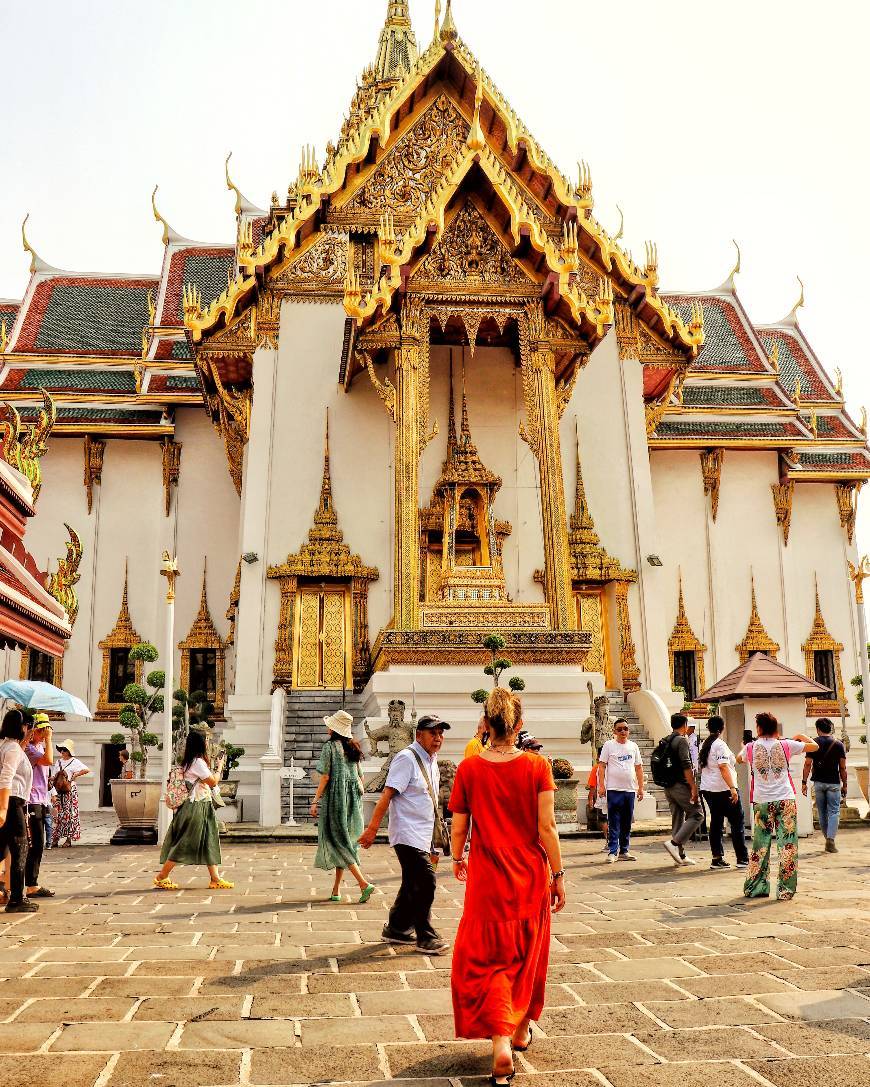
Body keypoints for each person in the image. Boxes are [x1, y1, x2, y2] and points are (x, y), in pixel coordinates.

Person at [449, 688, 565, 1086]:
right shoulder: (538, 766)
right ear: (518, 726)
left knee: (490, 958)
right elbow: (546, 827)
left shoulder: (468, 770)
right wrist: (558, 873)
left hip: (486, 876)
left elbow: (460, 827)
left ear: (486, 725)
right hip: (529, 873)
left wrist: (457, 857)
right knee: (527, 952)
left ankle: (504, 1037)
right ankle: (517, 1029)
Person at [359, 713, 451, 956]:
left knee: (413, 883)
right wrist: (371, 829)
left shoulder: (432, 759)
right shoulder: (406, 759)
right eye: (433, 732)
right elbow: (387, 796)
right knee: (425, 881)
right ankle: (425, 936)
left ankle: (397, 928)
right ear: (419, 735)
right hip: (407, 834)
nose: (438, 737)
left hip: (424, 834)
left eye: (441, 733)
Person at [737, 711, 818, 900]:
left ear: (759, 728)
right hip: (785, 799)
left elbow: (739, 759)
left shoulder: (750, 747)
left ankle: (757, 887)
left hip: (762, 801)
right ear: (775, 729)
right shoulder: (786, 744)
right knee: (788, 844)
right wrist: (800, 736)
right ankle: (785, 890)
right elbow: (814, 746)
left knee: (760, 845)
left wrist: (745, 746)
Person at [310, 710, 376, 904]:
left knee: (338, 841)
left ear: (334, 728)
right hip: (353, 799)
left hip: (336, 800)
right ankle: (336, 889)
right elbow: (361, 776)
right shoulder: (352, 746)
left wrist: (315, 800)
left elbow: (325, 776)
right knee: (345, 841)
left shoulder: (329, 747)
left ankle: (363, 884)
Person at [154, 730, 233, 890]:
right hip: (195, 807)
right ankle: (162, 876)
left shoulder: (191, 762)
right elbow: (213, 782)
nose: (208, 743)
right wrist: (219, 768)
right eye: (206, 740)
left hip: (202, 805)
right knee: (185, 842)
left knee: (209, 840)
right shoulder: (197, 762)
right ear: (201, 743)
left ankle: (215, 878)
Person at [699, 716, 749, 870]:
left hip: (708, 788)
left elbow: (735, 761)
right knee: (737, 822)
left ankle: (717, 857)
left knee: (716, 821)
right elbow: (723, 767)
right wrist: (732, 787)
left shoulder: (704, 744)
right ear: (722, 728)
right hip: (723, 788)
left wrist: (744, 748)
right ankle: (742, 858)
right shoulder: (719, 745)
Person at [0, 710, 35, 913]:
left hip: (10, 801)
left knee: (2, 848)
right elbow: (7, 777)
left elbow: (18, 753)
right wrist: (4, 809)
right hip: (12, 803)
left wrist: (28, 735)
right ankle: (16, 899)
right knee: (20, 850)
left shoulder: (8, 745)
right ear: (19, 726)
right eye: (26, 725)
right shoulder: (12, 748)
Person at [597, 719, 644, 862]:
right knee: (614, 820)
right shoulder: (609, 745)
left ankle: (624, 850)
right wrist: (601, 786)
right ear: (614, 731)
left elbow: (638, 768)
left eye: (625, 729)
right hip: (613, 789)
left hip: (629, 789)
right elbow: (602, 766)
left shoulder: (633, 746)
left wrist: (641, 787)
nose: (623, 732)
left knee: (626, 821)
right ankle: (612, 850)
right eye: (619, 729)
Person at [662, 714, 703, 866]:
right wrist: (693, 787)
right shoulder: (682, 740)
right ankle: (674, 844)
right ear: (685, 725)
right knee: (697, 814)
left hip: (668, 786)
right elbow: (686, 765)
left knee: (678, 818)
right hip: (680, 784)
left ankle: (681, 855)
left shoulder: (666, 739)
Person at [801, 718, 847, 854]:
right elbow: (843, 768)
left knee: (822, 813)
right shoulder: (839, 744)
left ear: (817, 729)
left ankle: (828, 838)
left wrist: (804, 782)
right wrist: (845, 785)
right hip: (833, 783)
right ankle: (830, 840)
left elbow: (807, 764)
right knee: (834, 812)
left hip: (819, 783)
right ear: (830, 729)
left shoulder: (813, 744)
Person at [24, 713, 55, 899]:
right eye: (42, 730)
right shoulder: (28, 748)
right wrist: (49, 740)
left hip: (42, 799)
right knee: (33, 844)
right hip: (31, 800)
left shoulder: (39, 746)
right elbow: (48, 760)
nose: (44, 734)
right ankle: (30, 884)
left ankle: (32, 884)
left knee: (39, 844)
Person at [50, 741, 89, 847]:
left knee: (70, 814)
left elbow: (86, 769)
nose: (62, 751)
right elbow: (53, 775)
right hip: (58, 791)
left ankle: (68, 839)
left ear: (69, 751)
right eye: (61, 749)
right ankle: (55, 839)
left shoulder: (74, 762)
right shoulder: (58, 762)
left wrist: (76, 774)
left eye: (65, 750)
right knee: (57, 815)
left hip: (70, 791)